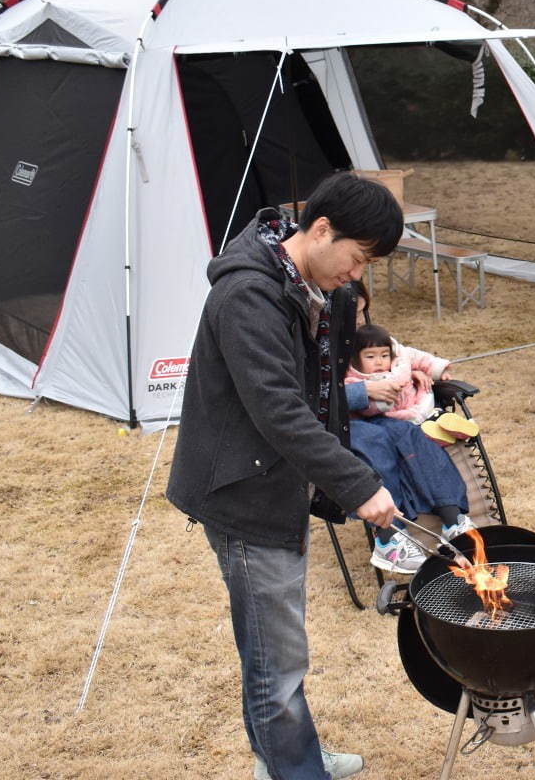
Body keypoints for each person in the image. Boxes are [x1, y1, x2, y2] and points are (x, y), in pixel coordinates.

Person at [166, 172, 403, 780]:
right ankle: (293, 769)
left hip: (277, 477)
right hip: (243, 489)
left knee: (276, 648)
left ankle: (286, 753)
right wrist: (358, 485)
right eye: (355, 260)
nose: (355, 276)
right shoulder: (249, 295)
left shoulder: (306, 282)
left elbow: (320, 390)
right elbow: (278, 408)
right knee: (278, 656)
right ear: (321, 230)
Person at [342, 313, 474, 572]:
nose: (357, 320)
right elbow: (318, 393)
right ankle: (388, 539)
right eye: (352, 314)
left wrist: (415, 370)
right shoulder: (330, 352)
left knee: (412, 437)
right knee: (376, 444)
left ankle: (453, 520)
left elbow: (408, 356)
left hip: (393, 419)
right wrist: (364, 390)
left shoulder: (386, 350)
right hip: (345, 423)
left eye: (360, 312)